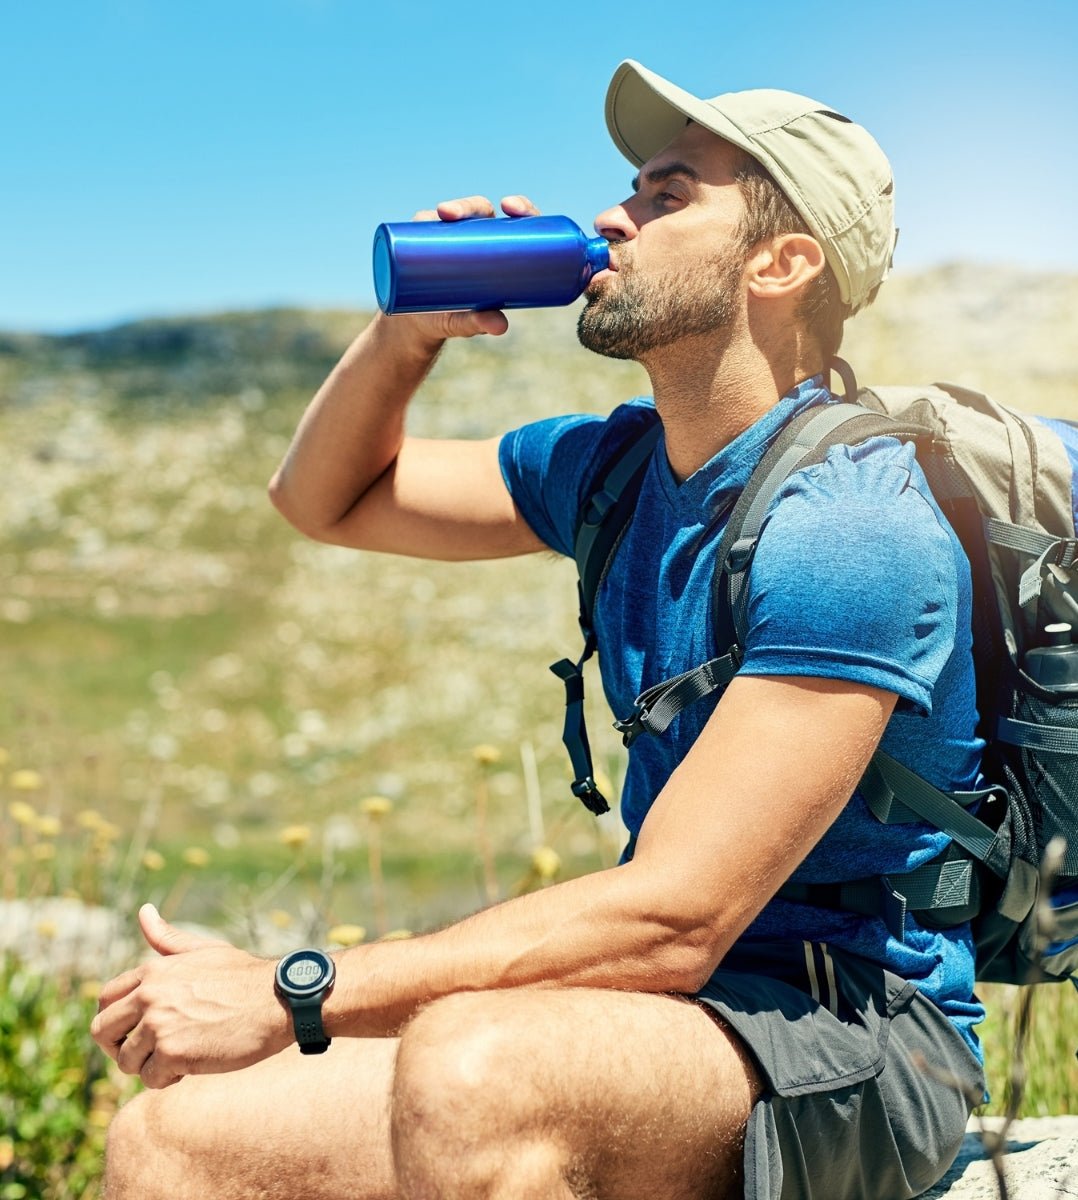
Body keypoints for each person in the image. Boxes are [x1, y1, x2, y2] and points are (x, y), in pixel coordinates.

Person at [92, 60, 988, 1200]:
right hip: (670, 1019)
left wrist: (291, 990)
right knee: (174, 1140)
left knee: (474, 1071)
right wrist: (405, 335)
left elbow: (675, 920)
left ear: (783, 261)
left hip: (862, 1034)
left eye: (669, 196)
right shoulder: (610, 468)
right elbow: (326, 499)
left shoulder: (853, 528)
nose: (614, 216)